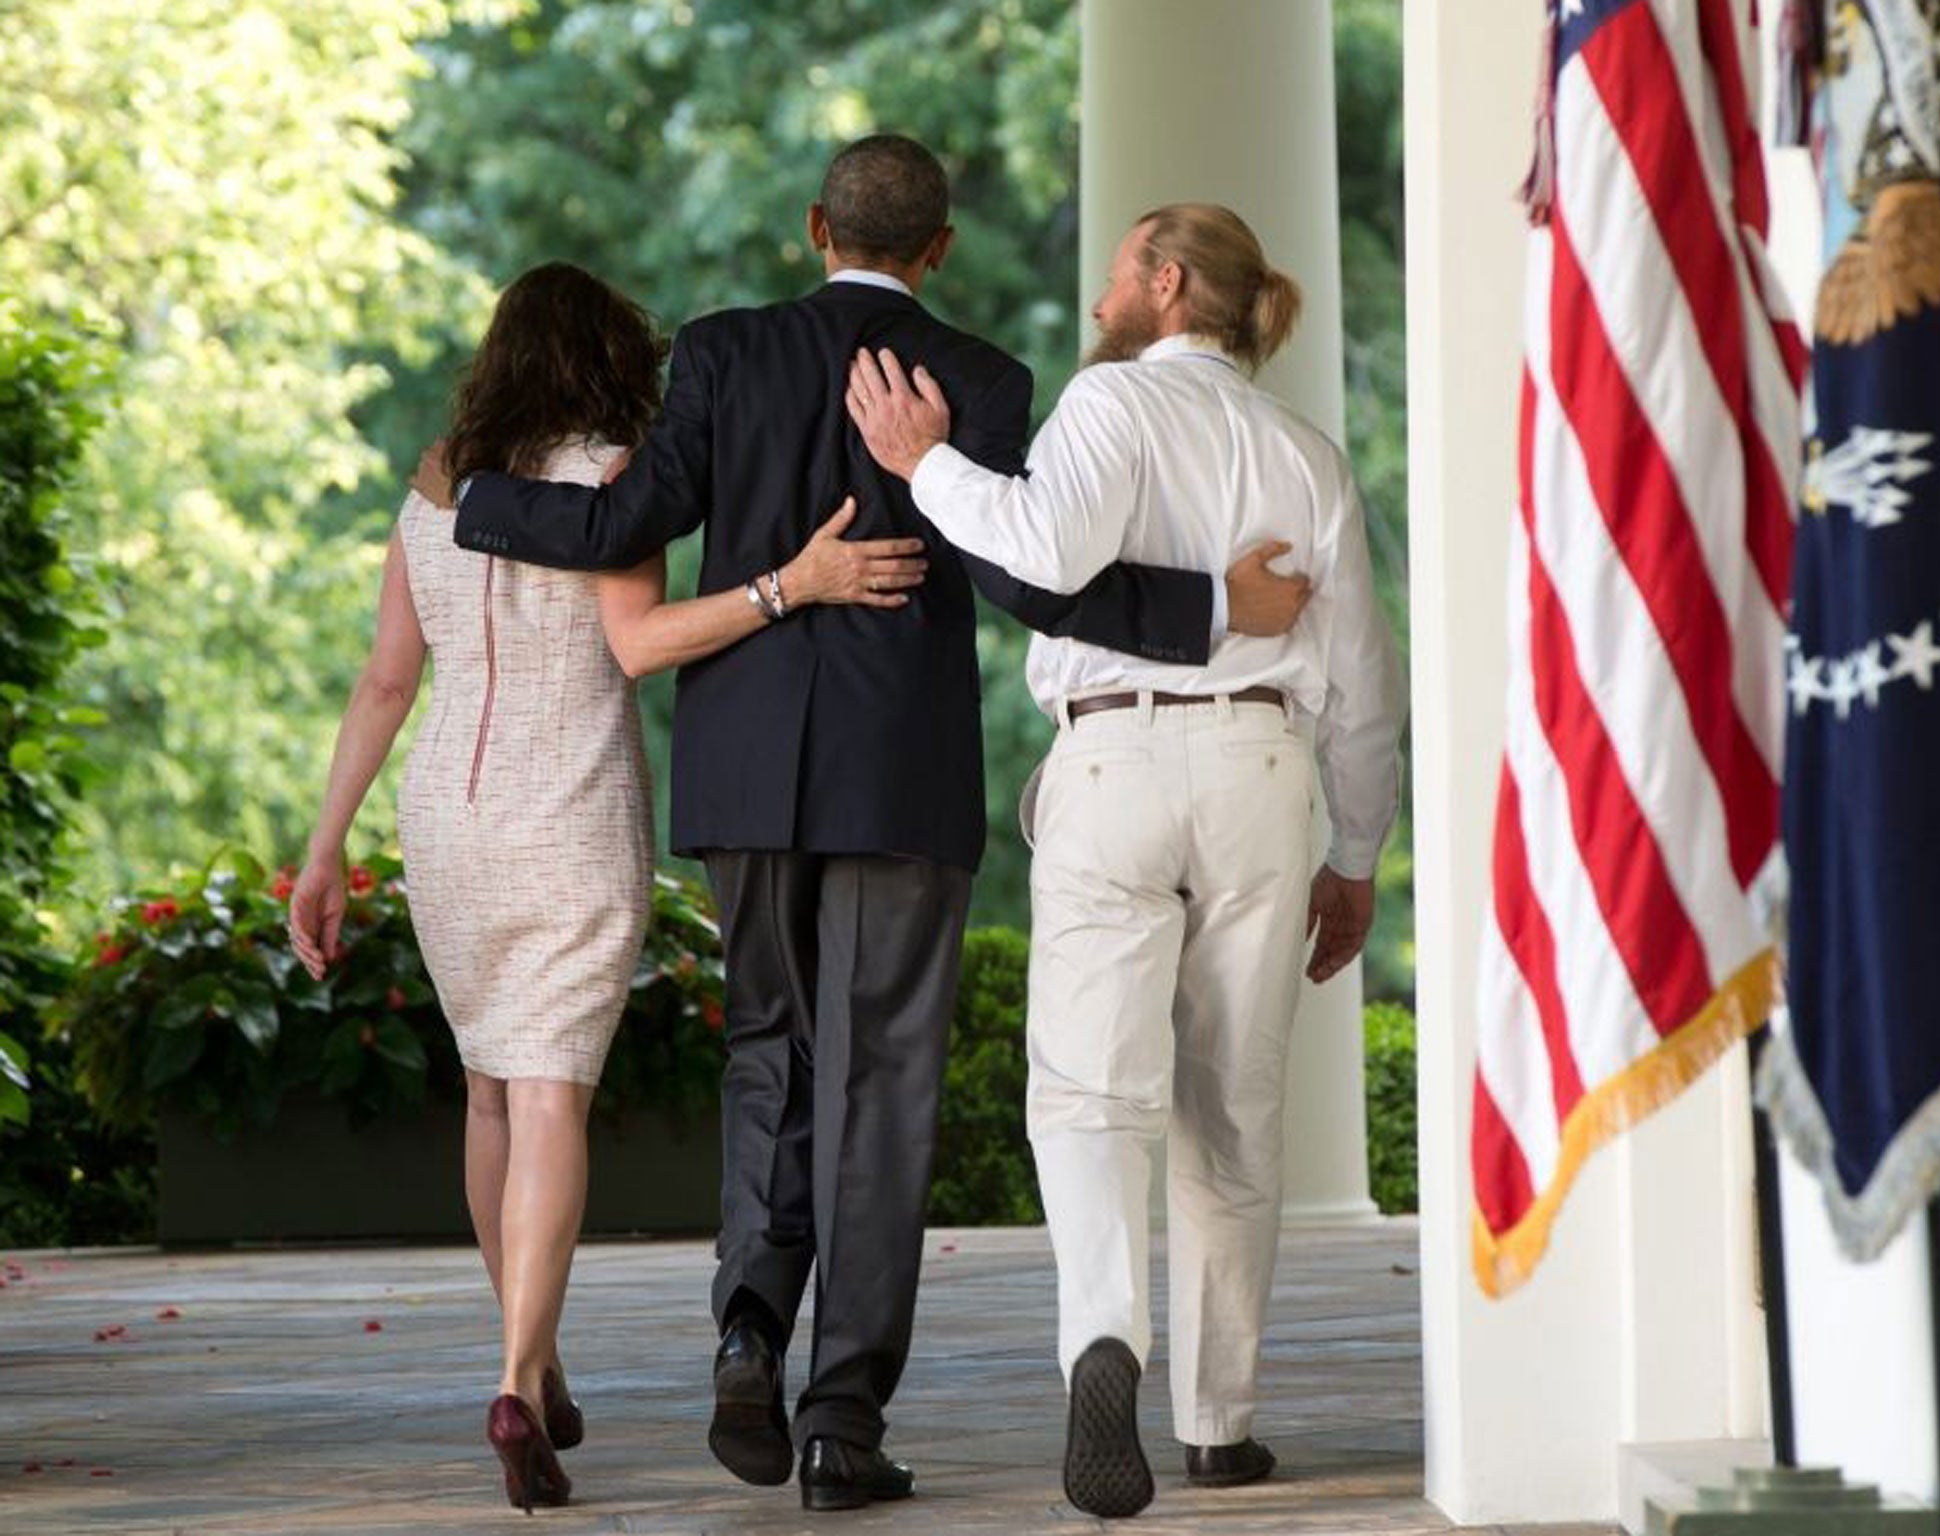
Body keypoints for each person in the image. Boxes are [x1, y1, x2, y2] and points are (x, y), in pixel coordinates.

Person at [441, 138, 1311, 1514]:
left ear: (812, 226)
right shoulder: (982, 380)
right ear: (942, 248)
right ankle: (842, 1426)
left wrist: (478, 499)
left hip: (743, 774)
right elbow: (1040, 578)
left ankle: (745, 1332)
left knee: (767, 1054)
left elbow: (627, 516)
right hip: (901, 779)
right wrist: (1212, 616)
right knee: (881, 1089)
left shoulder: (723, 353)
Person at [287, 261, 925, 1513]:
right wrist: (790, 584)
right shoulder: (610, 477)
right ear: (608, 358)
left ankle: (533, 1361)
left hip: (448, 822)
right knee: (551, 1097)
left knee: (488, 1093)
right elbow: (637, 646)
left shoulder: (437, 486)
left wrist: (323, 849)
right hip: (570, 810)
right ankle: (521, 1371)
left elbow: (382, 682)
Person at [846, 201, 1408, 1520]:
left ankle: (1106, 1342)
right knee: (1237, 1103)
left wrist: (925, 461)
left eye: (1115, 277)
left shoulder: (1111, 410)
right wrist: (1358, 854)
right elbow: (1365, 685)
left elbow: (1040, 550)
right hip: (1266, 773)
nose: (1100, 299)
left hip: (1113, 761)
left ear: (1166, 286)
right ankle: (1221, 1423)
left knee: (1092, 1089)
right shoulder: (1307, 456)